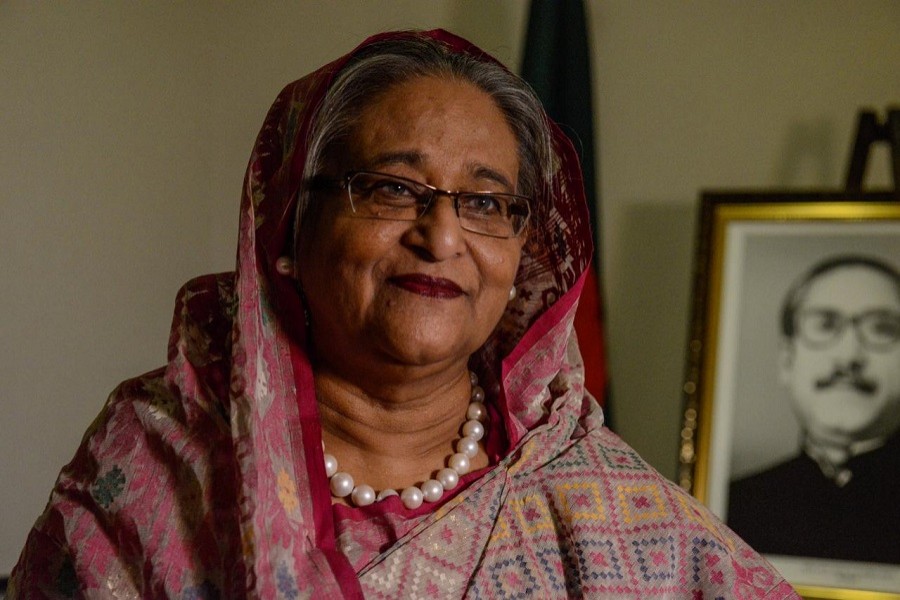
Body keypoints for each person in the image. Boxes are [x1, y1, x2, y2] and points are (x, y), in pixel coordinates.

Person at [10, 30, 795, 598]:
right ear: (289, 223)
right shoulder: (161, 452)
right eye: (392, 188)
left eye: (487, 202)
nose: (442, 235)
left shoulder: (594, 503)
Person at [728, 255, 900, 563]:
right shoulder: (732, 506)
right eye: (824, 325)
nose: (848, 356)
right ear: (786, 360)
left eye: (881, 329)